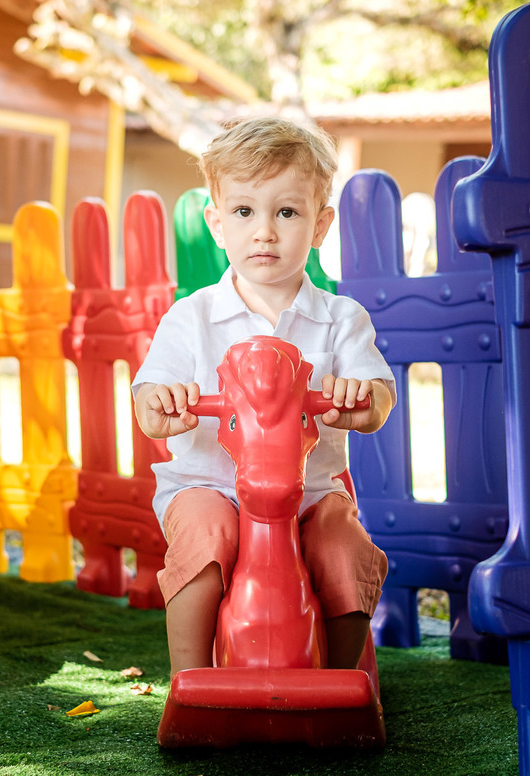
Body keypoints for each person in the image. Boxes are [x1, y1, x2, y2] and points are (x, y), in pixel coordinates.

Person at [132, 116, 395, 675]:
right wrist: (162, 404)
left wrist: (360, 397)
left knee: (342, 550)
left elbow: (377, 402)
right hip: (210, 488)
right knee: (206, 538)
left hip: (308, 497)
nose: (265, 231)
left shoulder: (341, 320)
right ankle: (189, 676)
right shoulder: (191, 317)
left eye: (288, 212)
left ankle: (345, 678)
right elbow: (148, 405)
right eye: (245, 211)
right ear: (217, 223)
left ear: (320, 225)